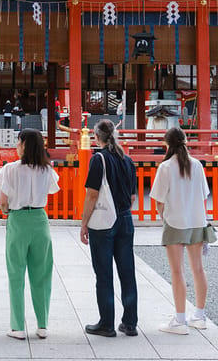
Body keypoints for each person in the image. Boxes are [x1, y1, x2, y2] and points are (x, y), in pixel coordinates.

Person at [79, 118, 139, 337]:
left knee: (104, 273)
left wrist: (84, 223)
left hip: (103, 224)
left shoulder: (98, 160)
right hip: (125, 219)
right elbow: (132, 195)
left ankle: (106, 323)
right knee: (127, 272)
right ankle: (130, 323)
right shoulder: (127, 160)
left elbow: (92, 194)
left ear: (96, 137)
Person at [149, 126, 211, 335]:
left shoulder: (166, 167)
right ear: (185, 141)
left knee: (178, 271)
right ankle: (199, 316)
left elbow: (158, 199)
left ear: (167, 144)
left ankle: (180, 319)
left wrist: (163, 215)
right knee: (198, 269)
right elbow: (204, 195)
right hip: (197, 220)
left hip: (175, 221)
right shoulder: (197, 165)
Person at [0, 128, 59, 340]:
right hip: (40, 220)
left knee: (16, 274)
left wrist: (7, 212)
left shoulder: (10, 169)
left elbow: (3, 201)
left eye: (18, 142)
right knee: (42, 273)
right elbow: (53, 190)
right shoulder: (47, 169)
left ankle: (17, 327)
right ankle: (42, 325)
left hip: (18, 219)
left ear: (23, 144)